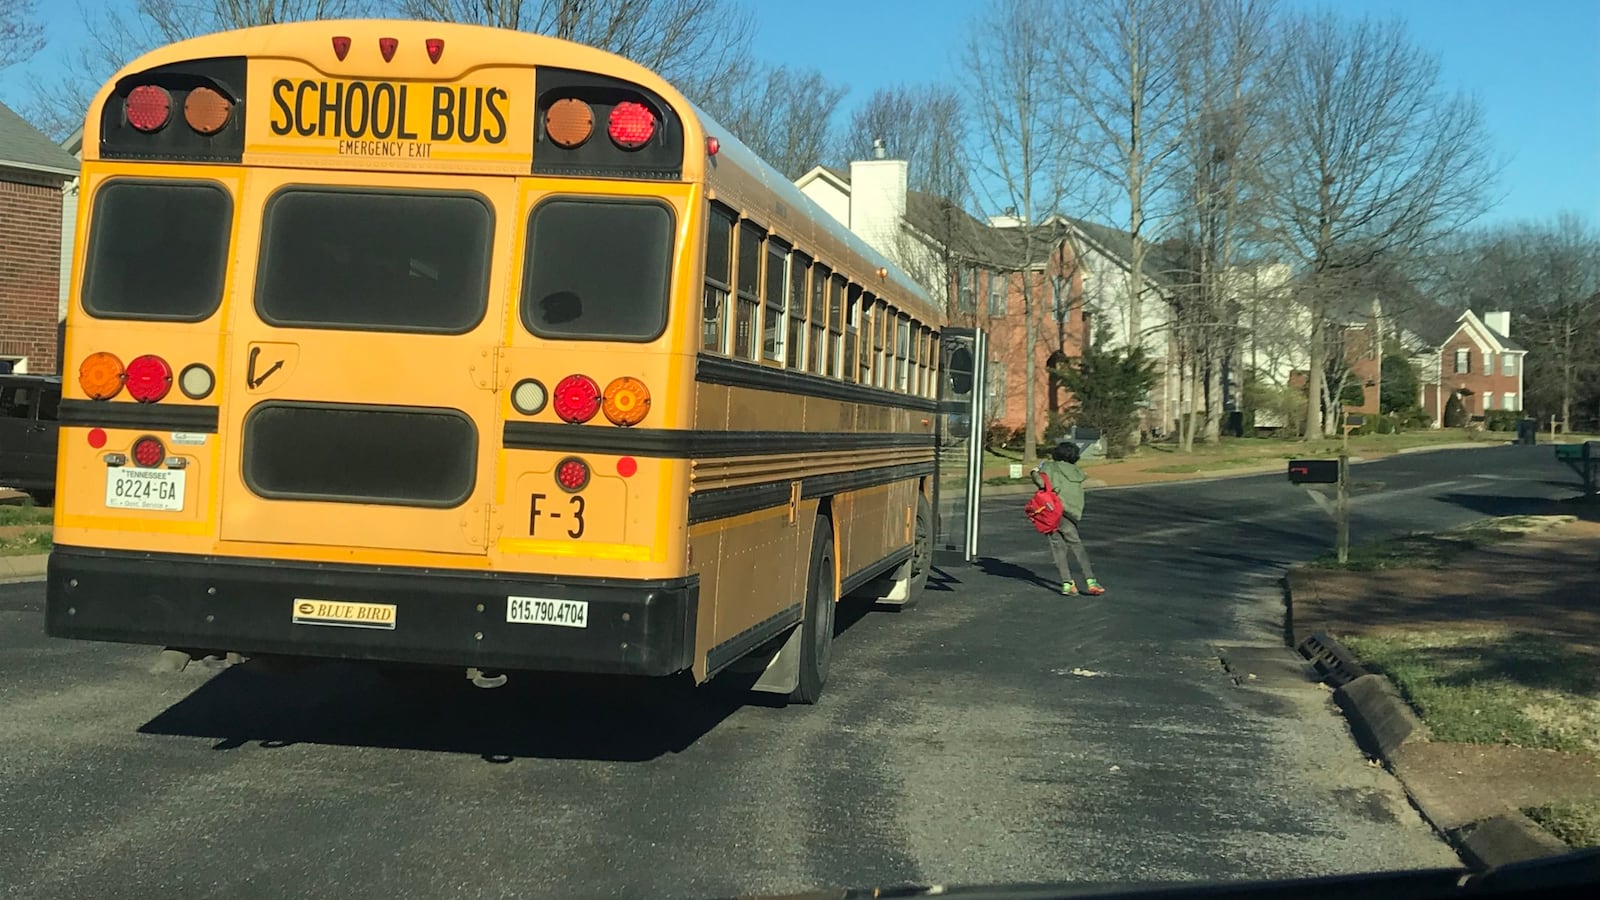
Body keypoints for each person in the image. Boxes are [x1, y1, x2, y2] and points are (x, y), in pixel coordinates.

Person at [1033, 441, 1104, 597]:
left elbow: (1040, 482)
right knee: (1077, 546)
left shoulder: (1050, 467)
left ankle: (1067, 583)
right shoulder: (1077, 473)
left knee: (1058, 548)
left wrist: (1035, 471)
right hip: (1072, 514)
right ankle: (1091, 581)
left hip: (1052, 512)